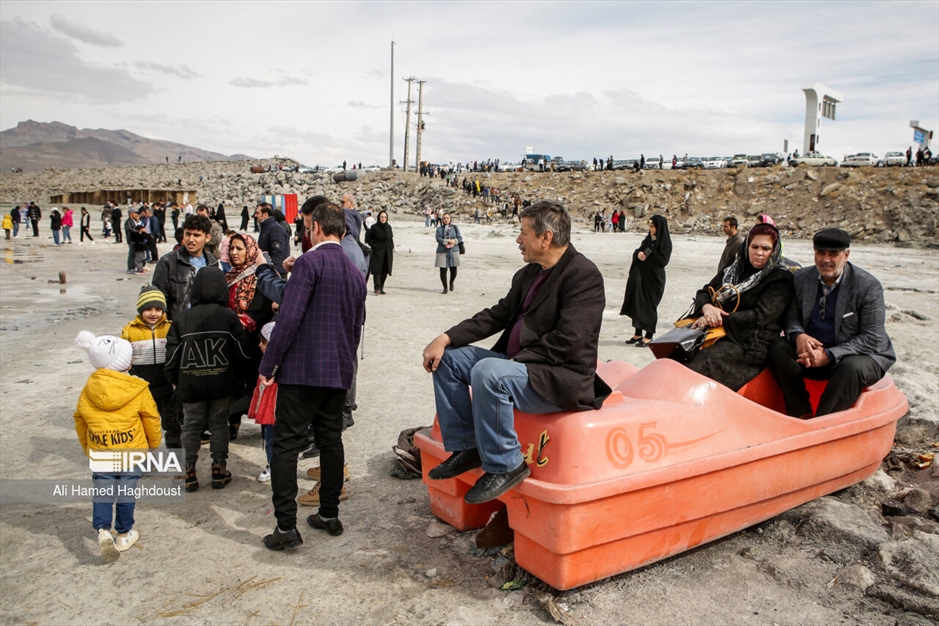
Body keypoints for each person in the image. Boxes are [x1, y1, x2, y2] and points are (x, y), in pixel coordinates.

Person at [421, 200, 611, 504]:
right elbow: (497, 315)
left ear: (545, 237)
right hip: (518, 367)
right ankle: (468, 447)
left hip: (558, 377)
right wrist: (445, 337)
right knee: (449, 360)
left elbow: (569, 340)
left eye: (523, 233)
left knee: (488, 372)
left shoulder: (583, 276)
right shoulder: (528, 274)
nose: (518, 239)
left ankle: (506, 465)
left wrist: (512, 363)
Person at [258, 202, 366, 550]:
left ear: (315, 227)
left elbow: (288, 320)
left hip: (303, 371)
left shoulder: (310, 262)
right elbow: (355, 327)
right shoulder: (353, 270)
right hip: (337, 372)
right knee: (331, 442)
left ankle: (286, 527)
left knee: (287, 446)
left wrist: (268, 367)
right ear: (344, 231)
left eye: (307, 227)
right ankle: (329, 513)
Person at [768, 228, 896, 418]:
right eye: (820, 253)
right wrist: (799, 335)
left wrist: (829, 355)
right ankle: (800, 413)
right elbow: (791, 315)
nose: (825, 260)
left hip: (857, 355)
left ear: (846, 255)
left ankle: (823, 425)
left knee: (851, 368)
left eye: (833, 254)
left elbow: (871, 338)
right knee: (778, 348)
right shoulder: (802, 278)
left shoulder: (868, 286)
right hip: (813, 351)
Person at [73, 331, 161, 562]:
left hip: (101, 451)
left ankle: (103, 530)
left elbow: (80, 420)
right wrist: (153, 443)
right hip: (131, 451)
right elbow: (151, 418)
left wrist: (87, 448)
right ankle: (123, 533)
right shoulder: (138, 388)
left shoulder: (87, 390)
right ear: (126, 362)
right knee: (126, 492)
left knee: (102, 491)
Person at [164, 267, 251, 492]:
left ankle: (189, 472)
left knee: (191, 426)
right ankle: (218, 469)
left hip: (191, 383)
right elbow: (241, 350)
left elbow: (172, 353)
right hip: (222, 382)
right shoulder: (228, 316)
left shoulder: (182, 318)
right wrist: (242, 377)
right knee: (219, 424)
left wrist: (173, 378)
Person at [682, 224, 795, 390]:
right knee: (675, 358)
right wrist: (707, 308)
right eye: (754, 246)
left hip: (751, 343)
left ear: (774, 251)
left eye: (766, 248)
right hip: (717, 333)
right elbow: (705, 291)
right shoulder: (734, 270)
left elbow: (761, 316)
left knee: (700, 364)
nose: (759, 252)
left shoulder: (780, 278)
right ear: (747, 246)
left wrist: (717, 319)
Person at [224, 233, 274, 440]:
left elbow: (265, 306)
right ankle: (233, 423)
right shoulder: (227, 276)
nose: (235, 253)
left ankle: (264, 426)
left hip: (255, 343)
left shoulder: (263, 275)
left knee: (257, 384)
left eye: (240, 248)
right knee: (234, 384)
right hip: (232, 342)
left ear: (251, 250)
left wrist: (242, 320)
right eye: (232, 248)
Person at [121, 286, 179, 449]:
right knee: (143, 424)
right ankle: (144, 457)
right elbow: (121, 355)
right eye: (148, 309)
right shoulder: (130, 330)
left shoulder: (170, 328)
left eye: (158, 309)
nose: (153, 313)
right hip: (141, 388)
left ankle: (176, 457)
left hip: (167, 387)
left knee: (172, 424)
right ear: (140, 310)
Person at [152, 214, 219, 321]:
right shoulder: (168, 262)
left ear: (207, 238)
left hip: (204, 323)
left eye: (196, 235)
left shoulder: (212, 263)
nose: (190, 239)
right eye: (188, 234)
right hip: (178, 323)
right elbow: (159, 299)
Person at [621, 215, 672, 347]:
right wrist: (638, 254)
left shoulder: (665, 242)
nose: (650, 229)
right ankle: (638, 333)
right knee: (638, 303)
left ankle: (649, 335)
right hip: (642, 277)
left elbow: (663, 261)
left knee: (649, 306)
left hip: (654, 279)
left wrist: (649, 256)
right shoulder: (649, 240)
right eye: (649, 226)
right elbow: (640, 250)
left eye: (652, 227)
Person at [250, 322, 278, 483]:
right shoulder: (265, 362)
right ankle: (272, 463)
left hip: (278, 411)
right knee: (270, 439)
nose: (260, 345)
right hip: (268, 412)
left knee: (276, 439)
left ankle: (281, 465)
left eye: (264, 342)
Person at [256, 203, 290, 277]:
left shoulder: (275, 229)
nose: (255, 215)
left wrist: (274, 271)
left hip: (276, 273)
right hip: (267, 270)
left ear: (265, 215)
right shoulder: (266, 228)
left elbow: (278, 252)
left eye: (257, 213)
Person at [365, 210, 394, 295]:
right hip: (378, 252)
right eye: (381, 217)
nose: (383, 219)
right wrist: (374, 246)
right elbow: (368, 239)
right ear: (378, 218)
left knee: (385, 270)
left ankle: (381, 287)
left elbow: (391, 238)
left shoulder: (389, 227)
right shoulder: (374, 227)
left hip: (387, 252)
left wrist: (392, 246)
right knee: (377, 270)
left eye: (385, 217)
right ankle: (377, 288)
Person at [435, 213, 463, 294]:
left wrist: (454, 242)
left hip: (454, 250)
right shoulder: (439, 229)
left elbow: (460, 238)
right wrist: (447, 241)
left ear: (450, 219)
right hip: (442, 251)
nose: (446, 219)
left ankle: (451, 282)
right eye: (444, 218)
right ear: (442, 219)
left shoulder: (455, 227)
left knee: (453, 269)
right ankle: (445, 288)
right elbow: (438, 238)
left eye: (447, 218)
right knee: (443, 270)